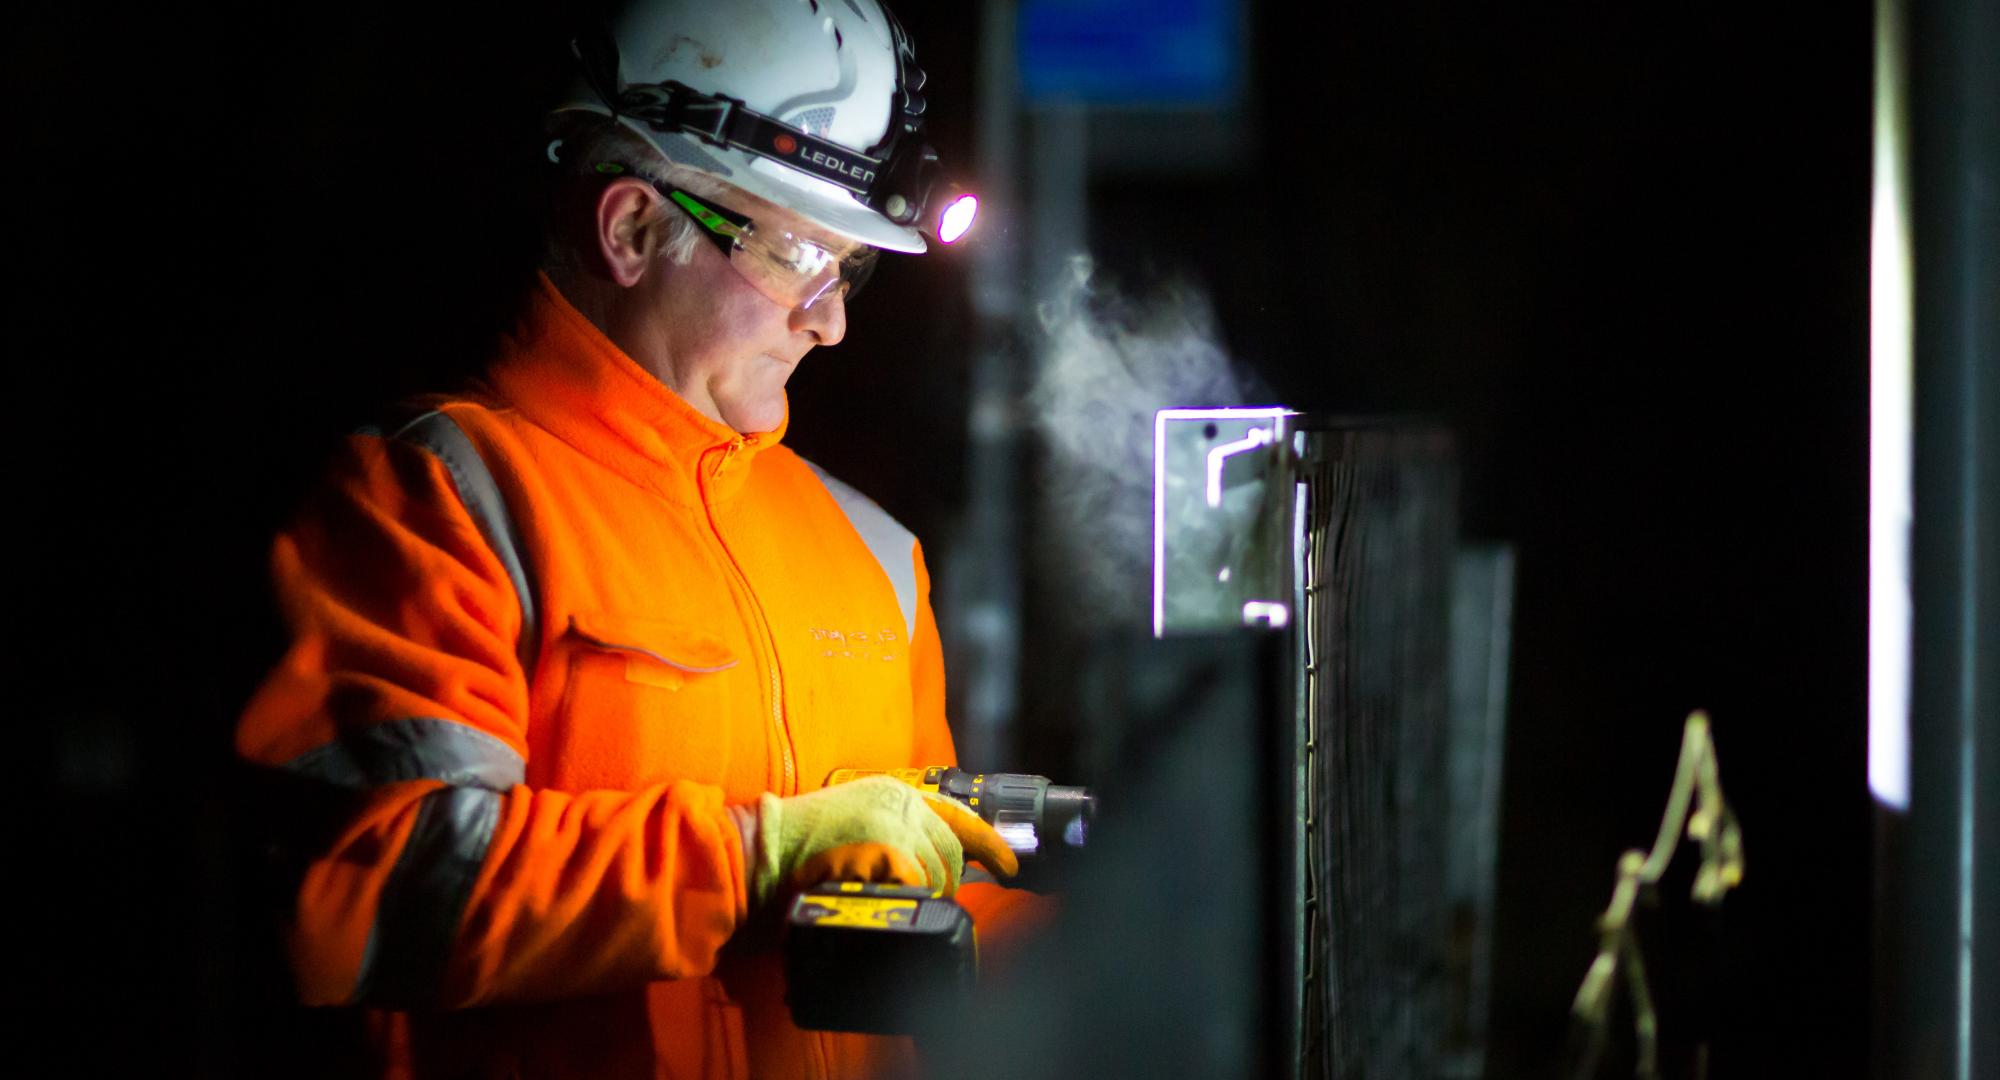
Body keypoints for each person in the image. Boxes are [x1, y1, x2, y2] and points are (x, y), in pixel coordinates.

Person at [236, 0, 1044, 1074]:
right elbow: (374, 884)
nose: (829, 319)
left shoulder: (872, 553)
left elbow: (939, 910)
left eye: (848, 270)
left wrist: (1124, 957)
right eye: (798, 252)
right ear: (629, 228)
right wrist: (754, 860)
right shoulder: (435, 499)